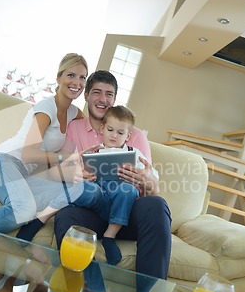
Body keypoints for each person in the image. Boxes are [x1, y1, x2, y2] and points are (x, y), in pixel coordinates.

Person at [0, 53, 88, 248]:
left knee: (76, 187)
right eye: (71, 75)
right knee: (24, 208)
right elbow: (28, 154)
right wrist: (63, 156)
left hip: (22, 173)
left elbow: (90, 133)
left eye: (83, 77)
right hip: (0, 162)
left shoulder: (74, 113)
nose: (77, 82)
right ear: (58, 78)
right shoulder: (46, 108)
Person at [54, 70, 172, 280]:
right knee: (65, 216)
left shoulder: (134, 134)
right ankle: (85, 287)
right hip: (93, 209)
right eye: (97, 92)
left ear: (115, 99)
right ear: (87, 96)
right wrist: (75, 174)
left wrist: (149, 183)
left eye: (109, 94)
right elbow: (61, 170)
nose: (102, 99)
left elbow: (152, 182)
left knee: (157, 204)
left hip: (128, 213)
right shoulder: (75, 128)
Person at [24, 105, 159, 265]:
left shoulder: (134, 154)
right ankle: (42, 217)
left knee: (128, 189)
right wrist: (80, 173)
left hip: (119, 203)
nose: (114, 135)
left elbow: (152, 176)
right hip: (97, 201)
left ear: (128, 136)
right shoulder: (93, 152)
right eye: (110, 130)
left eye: (120, 133)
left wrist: (145, 176)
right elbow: (69, 171)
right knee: (83, 187)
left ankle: (110, 236)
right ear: (102, 129)